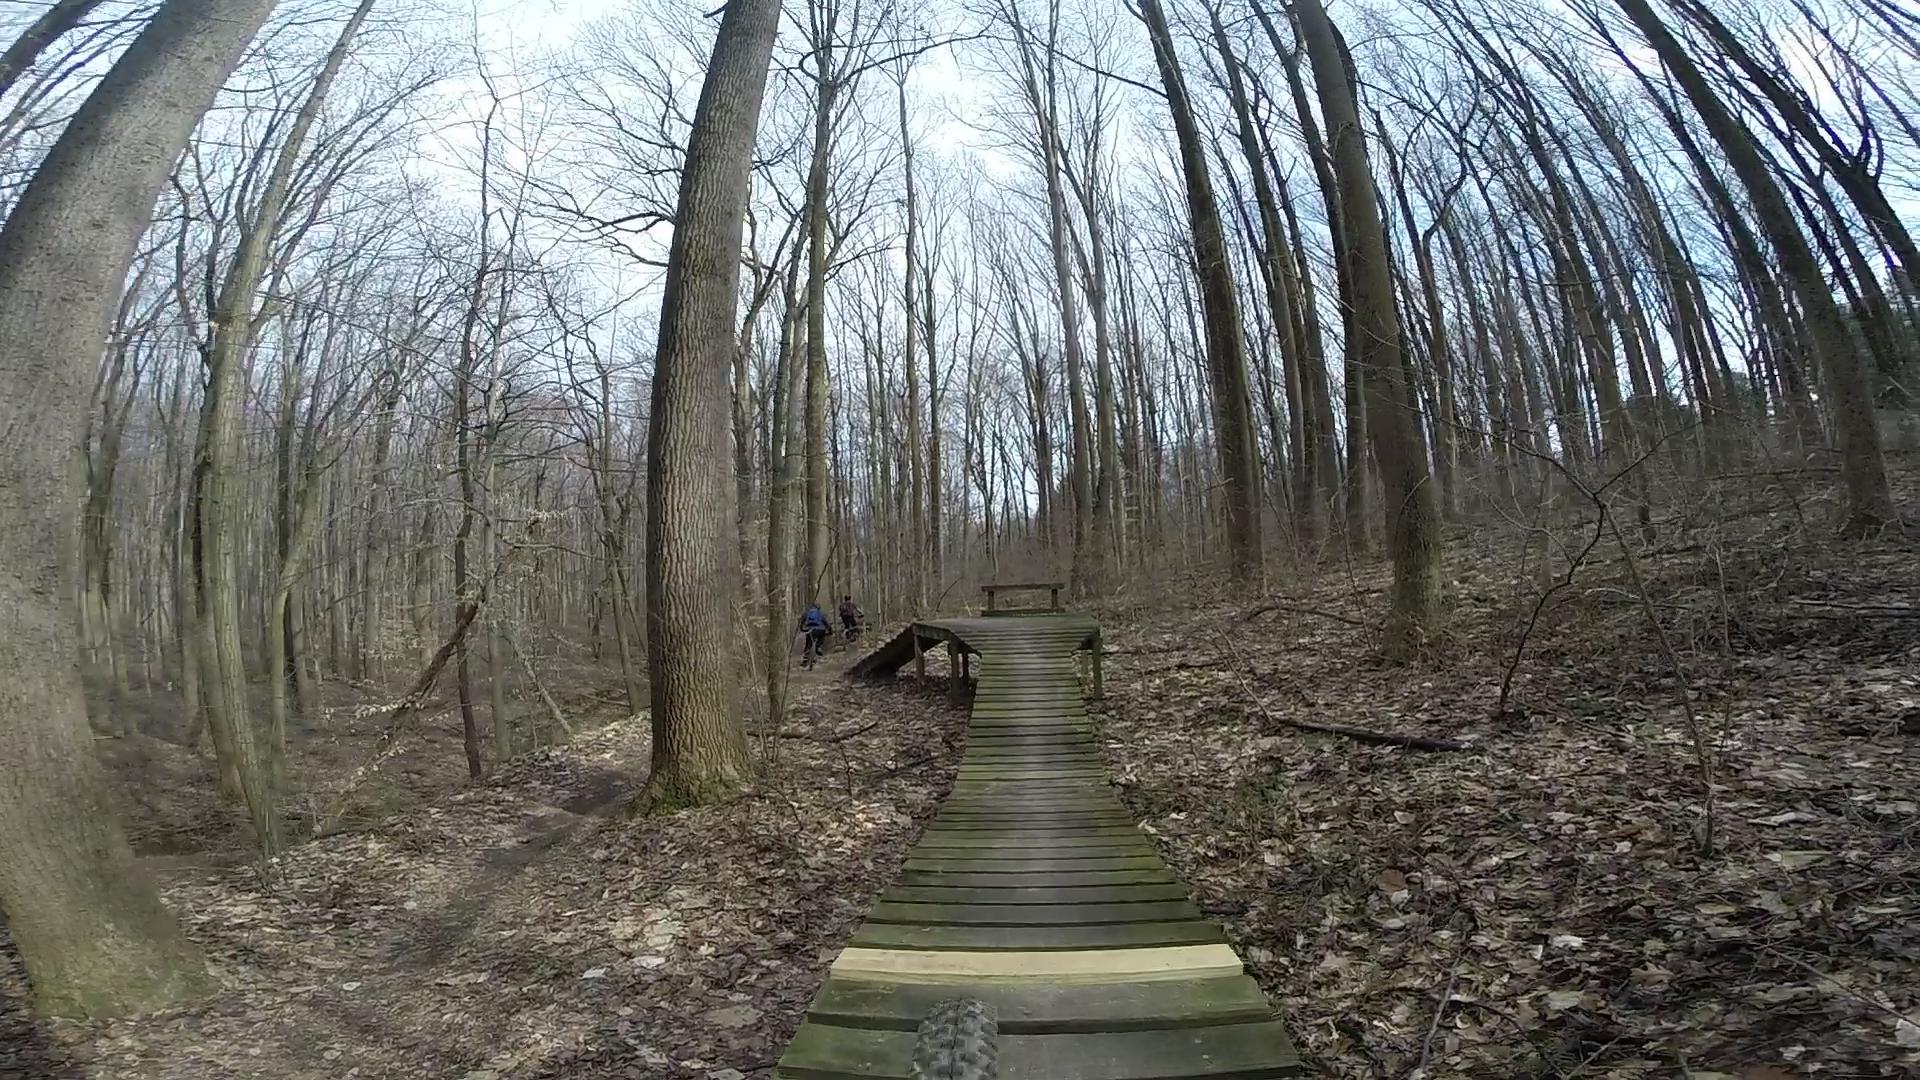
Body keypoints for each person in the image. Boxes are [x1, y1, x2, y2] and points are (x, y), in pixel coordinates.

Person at [798, 602, 830, 667]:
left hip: (810, 630)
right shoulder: (820, 613)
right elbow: (826, 623)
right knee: (821, 637)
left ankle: (805, 659)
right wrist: (830, 630)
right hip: (820, 629)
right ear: (819, 608)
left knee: (809, 643)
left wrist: (801, 629)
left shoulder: (807, 612)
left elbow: (802, 621)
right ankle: (818, 647)